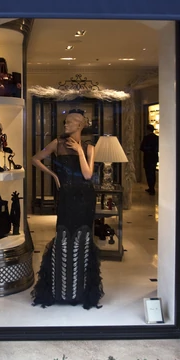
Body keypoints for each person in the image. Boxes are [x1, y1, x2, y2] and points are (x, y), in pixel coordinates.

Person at [30, 110, 103, 309]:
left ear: (80, 125)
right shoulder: (57, 143)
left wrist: (79, 151)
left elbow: (87, 174)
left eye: (70, 122)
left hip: (85, 197)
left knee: (83, 237)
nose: (65, 124)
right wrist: (54, 175)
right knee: (63, 234)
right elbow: (35, 159)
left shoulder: (89, 147)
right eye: (65, 122)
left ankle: (82, 290)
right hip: (66, 196)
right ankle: (61, 288)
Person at [140, 124, 159, 195]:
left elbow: (142, 147)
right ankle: (152, 187)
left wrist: (147, 150)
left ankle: (151, 187)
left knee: (148, 173)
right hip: (154, 158)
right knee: (152, 173)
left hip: (148, 158)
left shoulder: (146, 138)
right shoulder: (156, 138)